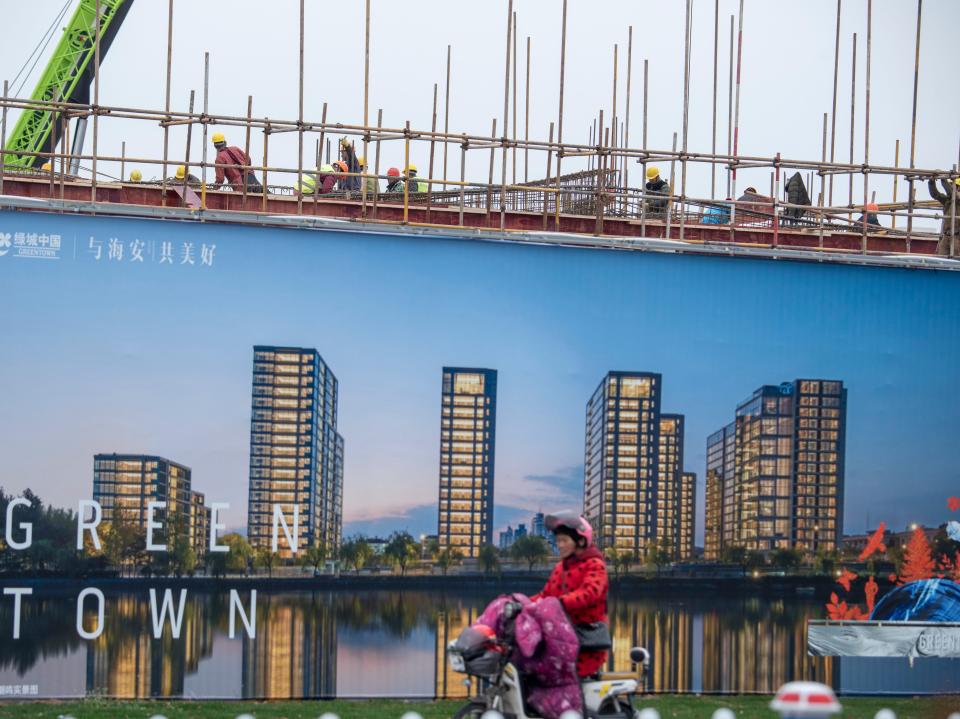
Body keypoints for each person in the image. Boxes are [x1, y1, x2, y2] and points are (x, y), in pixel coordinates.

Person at [532, 512, 609, 679]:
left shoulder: (595, 565)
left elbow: (589, 593)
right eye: (558, 540)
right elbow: (545, 594)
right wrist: (522, 603)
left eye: (564, 540)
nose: (559, 545)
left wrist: (558, 603)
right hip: (561, 637)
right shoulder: (561, 567)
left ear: (580, 541)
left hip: (585, 643)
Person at [928, 176, 960, 257]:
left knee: (956, 261)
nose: (951, 187)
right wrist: (931, 182)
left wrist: (943, 179)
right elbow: (935, 194)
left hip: (957, 238)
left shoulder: (957, 197)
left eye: (953, 185)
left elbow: (952, 193)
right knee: (941, 260)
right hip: (946, 236)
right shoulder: (948, 200)